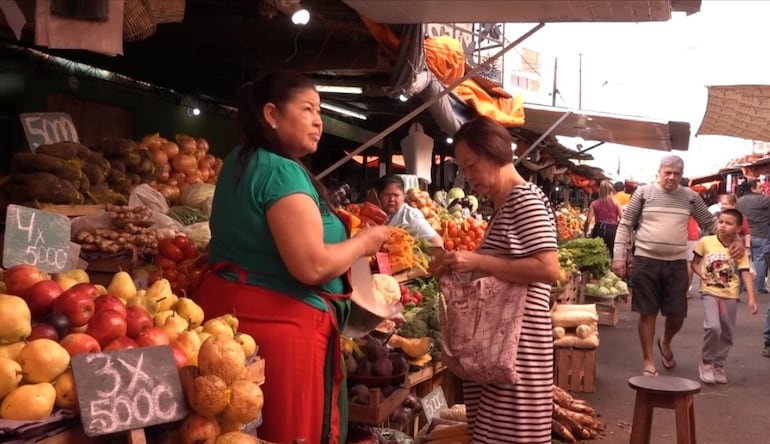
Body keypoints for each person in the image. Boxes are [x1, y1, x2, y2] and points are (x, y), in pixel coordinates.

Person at [194, 71, 389, 444]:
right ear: (271, 114)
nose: (318, 120)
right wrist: (364, 243)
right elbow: (311, 266)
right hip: (280, 333)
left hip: (227, 327)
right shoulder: (281, 171)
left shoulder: (241, 160)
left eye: (319, 110)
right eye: (307, 109)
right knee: (285, 433)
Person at [429, 116, 560, 444]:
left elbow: (548, 268)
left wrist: (475, 260)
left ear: (494, 153)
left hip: (520, 349)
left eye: (471, 165)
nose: (468, 176)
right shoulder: (506, 204)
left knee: (512, 436)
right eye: (464, 167)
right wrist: (458, 268)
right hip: (503, 350)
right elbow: (504, 269)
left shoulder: (523, 200)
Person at [612, 155, 743, 377]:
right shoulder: (644, 194)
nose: (672, 177)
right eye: (668, 172)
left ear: (682, 176)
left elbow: (711, 224)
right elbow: (626, 224)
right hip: (646, 260)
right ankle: (648, 361)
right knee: (647, 313)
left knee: (677, 314)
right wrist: (618, 256)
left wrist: (736, 238)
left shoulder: (690, 197)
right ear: (659, 172)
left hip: (676, 263)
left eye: (676, 174)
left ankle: (665, 340)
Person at [691, 209, 758, 384]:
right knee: (713, 327)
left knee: (727, 332)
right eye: (720, 222)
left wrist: (751, 298)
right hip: (709, 291)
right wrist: (701, 274)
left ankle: (718, 365)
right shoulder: (706, 241)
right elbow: (694, 263)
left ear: (737, 229)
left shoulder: (738, 249)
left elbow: (745, 273)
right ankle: (706, 362)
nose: (722, 226)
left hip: (730, 294)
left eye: (728, 223)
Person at [376, 175, 443, 247]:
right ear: (378, 196)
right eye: (387, 195)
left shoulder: (411, 216)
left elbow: (437, 243)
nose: (391, 199)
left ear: (404, 196)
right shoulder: (372, 211)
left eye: (396, 195)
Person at [735, 179, 770, 293]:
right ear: (752, 189)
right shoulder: (764, 200)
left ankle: (741, 287)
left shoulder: (740, 201)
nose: (763, 189)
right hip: (760, 234)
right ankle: (757, 287)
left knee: (742, 261)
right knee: (759, 260)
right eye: (760, 187)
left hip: (743, 235)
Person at [583, 180, 623, 258]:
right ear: (610, 190)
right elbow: (622, 218)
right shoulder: (616, 202)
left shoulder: (594, 203)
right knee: (611, 253)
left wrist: (585, 231)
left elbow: (588, 220)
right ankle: (610, 269)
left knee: (597, 253)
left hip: (599, 229)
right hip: (612, 230)